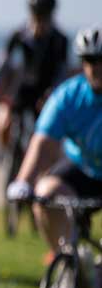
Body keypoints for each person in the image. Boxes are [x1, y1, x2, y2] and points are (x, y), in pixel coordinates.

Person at [6, 26, 102, 275]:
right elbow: (43, 144)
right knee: (46, 193)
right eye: (90, 60)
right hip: (81, 167)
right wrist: (23, 181)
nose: (96, 67)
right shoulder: (68, 96)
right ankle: (69, 268)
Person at [0, 0, 69, 151]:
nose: (40, 23)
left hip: (44, 92)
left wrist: (53, 94)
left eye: (44, 18)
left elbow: (61, 73)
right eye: (37, 17)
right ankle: (9, 156)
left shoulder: (59, 40)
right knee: (4, 125)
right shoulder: (18, 36)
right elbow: (0, 65)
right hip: (19, 92)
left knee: (47, 135)